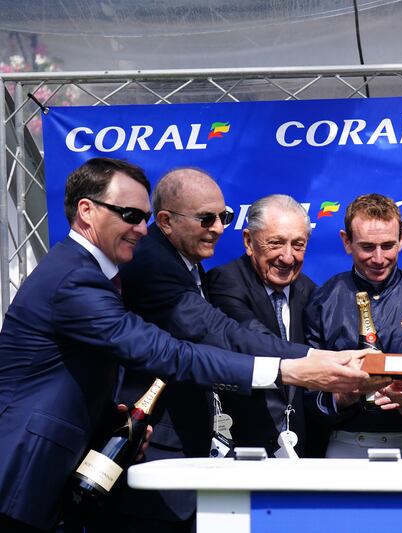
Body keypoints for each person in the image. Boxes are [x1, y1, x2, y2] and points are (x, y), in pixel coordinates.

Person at [0, 158, 368, 532]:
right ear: (86, 211)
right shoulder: (79, 278)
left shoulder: (105, 270)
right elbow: (172, 350)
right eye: (130, 215)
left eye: (143, 217)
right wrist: (289, 367)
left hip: (71, 463)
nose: (141, 230)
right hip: (27, 464)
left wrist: (111, 420)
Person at [109, 169, 378, 531]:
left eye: (225, 217)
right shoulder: (158, 264)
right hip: (159, 452)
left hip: (210, 459)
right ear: (166, 221)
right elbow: (221, 332)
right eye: (207, 219)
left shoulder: (307, 290)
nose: (219, 228)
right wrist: (307, 361)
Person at [304, 193, 402, 458]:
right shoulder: (323, 299)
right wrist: (345, 396)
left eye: (388, 245)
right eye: (367, 247)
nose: (379, 258)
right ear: (346, 241)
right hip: (345, 445)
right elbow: (305, 391)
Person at [206, 194, 317, 457]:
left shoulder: (311, 291)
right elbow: (252, 338)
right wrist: (315, 359)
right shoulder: (225, 281)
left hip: (300, 451)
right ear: (249, 241)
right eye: (276, 243)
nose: (288, 257)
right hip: (241, 447)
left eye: (298, 245)